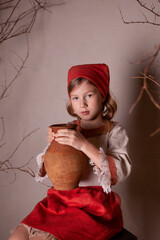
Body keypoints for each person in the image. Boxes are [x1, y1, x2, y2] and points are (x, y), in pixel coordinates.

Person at [9, 63, 131, 240]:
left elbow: (119, 172)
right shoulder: (69, 129)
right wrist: (52, 146)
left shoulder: (114, 131)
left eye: (89, 95)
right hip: (62, 199)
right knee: (17, 237)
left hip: (94, 207)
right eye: (75, 98)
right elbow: (48, 168)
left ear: (103, 95)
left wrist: (84, 145)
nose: (82, 104)